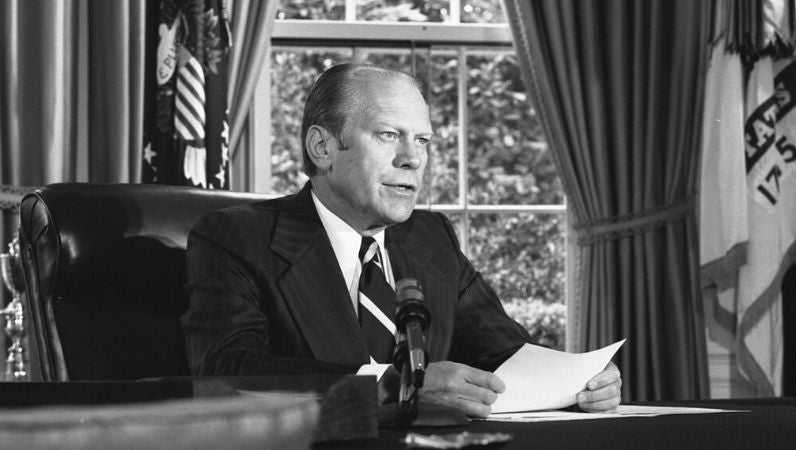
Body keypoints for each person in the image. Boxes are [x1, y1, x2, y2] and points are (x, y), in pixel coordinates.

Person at [182, 63, 621, 417]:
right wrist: (397, 389)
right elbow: (229, 376)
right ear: (322, 147)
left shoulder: (430, 237)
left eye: (423, 140)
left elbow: (504, 353)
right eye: (389, 135)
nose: (413, 159)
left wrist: (579, 381)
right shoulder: (236, 238)